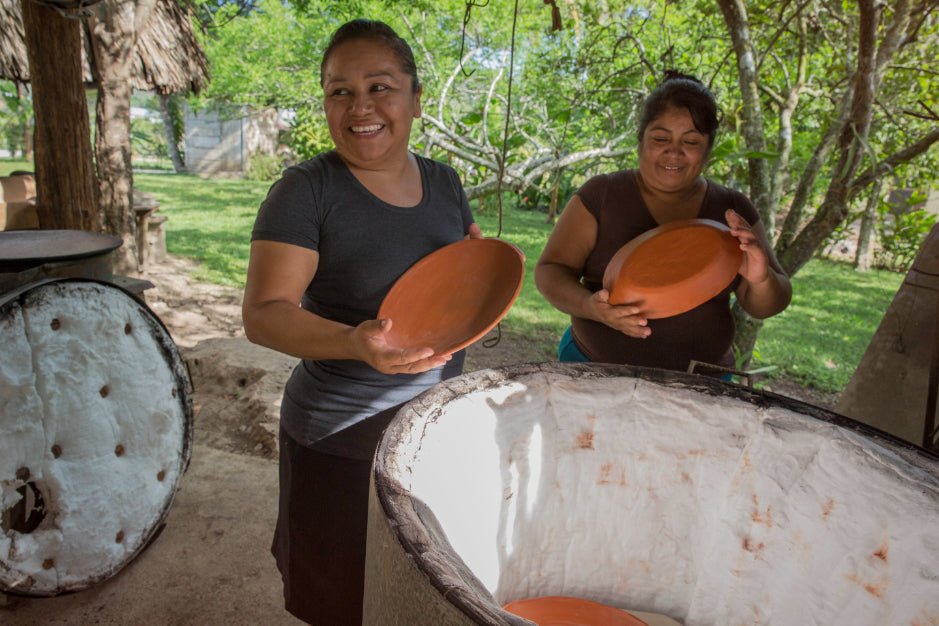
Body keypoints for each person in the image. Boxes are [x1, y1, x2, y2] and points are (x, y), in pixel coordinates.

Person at [241, 19, 480, 625]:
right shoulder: (305, 191)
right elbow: (264, 316)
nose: (360, 107)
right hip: (339, 438)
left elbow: (453, 284)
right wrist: (353, 342)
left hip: (429, 438)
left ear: (416, 99)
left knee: (411, 592)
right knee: (337, 601)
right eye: (339, 91)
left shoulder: (446, 184)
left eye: (380, 87)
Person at [535, 72, 791, 374]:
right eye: (660, 138)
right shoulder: (603, 195)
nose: (674, 152)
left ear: (708, 148)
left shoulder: (732, 209)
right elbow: (550, 271)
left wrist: (760, 279)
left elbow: (767, 304)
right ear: (641, 139)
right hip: (596, 371)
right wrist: (592, 307)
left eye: (691, 141)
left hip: (704, 384)